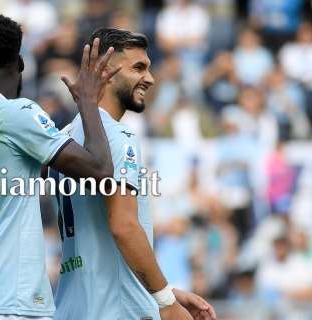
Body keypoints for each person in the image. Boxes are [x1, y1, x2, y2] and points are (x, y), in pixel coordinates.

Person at [0, 14, 119, 320]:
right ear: (20, 64)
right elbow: (100, 170)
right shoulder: (16, 113)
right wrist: (87, 101)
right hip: (4, 297)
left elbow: (31, 172)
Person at [51, 28, 217, 320]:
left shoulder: (62, 140)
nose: (150, 79)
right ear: (105, 70)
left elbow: (97, 242)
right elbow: (124, 227)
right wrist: (165, 302)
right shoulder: (118, 136)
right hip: (114, 310)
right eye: (138, 68)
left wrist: (166, 292)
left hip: (73, 307)